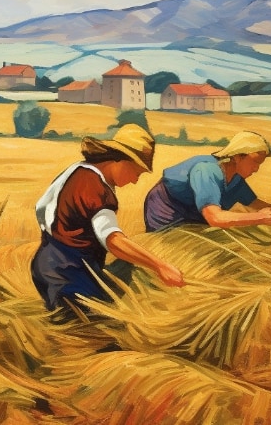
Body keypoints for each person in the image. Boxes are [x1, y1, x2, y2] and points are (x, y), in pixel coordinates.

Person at [31, 124, 185, 316]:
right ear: (119, 160)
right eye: (136, 172)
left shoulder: (78, 171)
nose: (135, 181)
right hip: (66, 274)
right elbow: (113, 241)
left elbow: (41, 208)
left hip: (52, 263)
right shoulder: (94, 188)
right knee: (97, 330)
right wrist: (160, 266)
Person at [143, 130, 271, 231]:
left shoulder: (236, 179)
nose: (256, 169)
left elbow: (255, 204)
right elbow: (215, 218)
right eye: (255, 162)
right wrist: (260, 218)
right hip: (167, 210)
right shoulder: (206, 171)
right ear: (237, 156)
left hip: (194, 213)